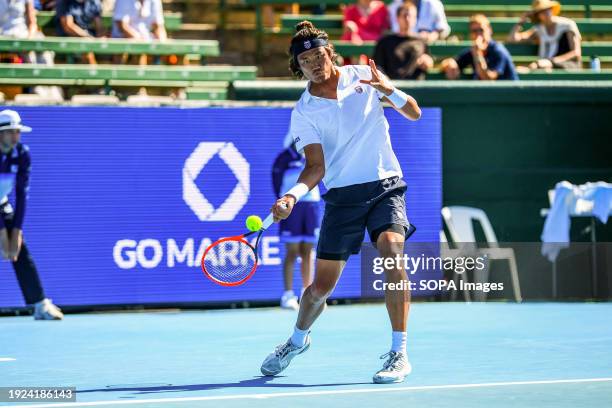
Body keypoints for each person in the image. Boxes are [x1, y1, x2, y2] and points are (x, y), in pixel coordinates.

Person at [260, 21, 421, 384]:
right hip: (343, 198)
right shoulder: (304, 112)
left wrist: (389, 90)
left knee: (393, 253)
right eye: (306, 61)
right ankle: (298, 340)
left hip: (385, 186)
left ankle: (399, 352)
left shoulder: (365, 76)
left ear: (330, 53)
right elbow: (315, 167)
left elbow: (414, 112)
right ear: (297, 68)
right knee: (320, 290)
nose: (316, 64)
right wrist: (291, 195)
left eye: (319, 55)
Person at [0, 110, 64, 321]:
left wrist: (15, 232)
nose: (16, 137)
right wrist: (2, 232)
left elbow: (21, 195)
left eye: (17, 132)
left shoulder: (22, 154)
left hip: (2, 204)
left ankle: (39, 304)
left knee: (20, 251)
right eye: (10, 132)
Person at [272, 138, 321, 310]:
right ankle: (288, 295)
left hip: (312, 207)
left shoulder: (314, 153)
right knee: (292, 251)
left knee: (308, 251)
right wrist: (283, 203)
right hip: (291, 208)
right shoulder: (283, 158)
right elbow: (276, 183)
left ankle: (308, 294)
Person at [507, 0, 582, 71]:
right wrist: (521, 21)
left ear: (552, 9)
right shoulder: (538, 29)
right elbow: (512, 39)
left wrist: (551, 62)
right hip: (544, 67)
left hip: (568, 67)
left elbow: (576, 53)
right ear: (537, 15)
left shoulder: (567, 25)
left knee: (537, 67)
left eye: (548, 9)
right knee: (520, 70)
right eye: (541, 11)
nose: (546, 13)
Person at [441, 14, 518, 81]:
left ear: (489, 30)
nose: (478, 34)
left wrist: (478, 54)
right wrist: (449, 64)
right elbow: (453, 62)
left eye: (481, 30)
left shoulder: (498, 50)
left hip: (508, 95)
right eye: (474, 31)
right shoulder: (473, 51)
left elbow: (488, 79)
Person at [374, 3, 434, 80]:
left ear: (416, 19)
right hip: (392, 86)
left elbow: (429, 62)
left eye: (412, 16)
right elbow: (378, 66)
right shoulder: (385, 41)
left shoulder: (421, 42)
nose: (408, 19)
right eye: (405, 15)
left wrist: (427, 62)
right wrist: (385, 79)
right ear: (397, 18)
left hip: (416, 86)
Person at [56, 0, 105, 64]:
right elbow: (68, 26)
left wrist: (100, 38)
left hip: (90, 37)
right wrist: (89, 37)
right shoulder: (64, 2)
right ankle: (94, 72)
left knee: (110, 48)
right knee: (86, 48)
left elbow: (99, 26)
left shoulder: (94, 2)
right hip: (69, 38)